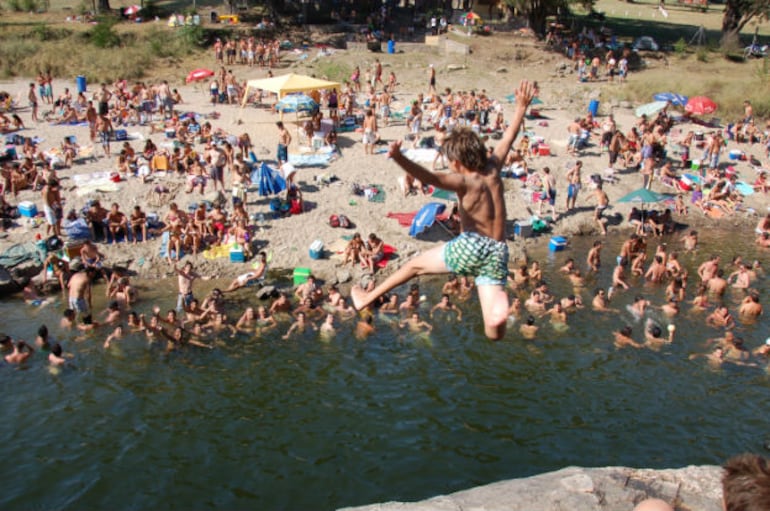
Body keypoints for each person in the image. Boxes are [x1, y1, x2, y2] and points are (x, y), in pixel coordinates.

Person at [351, 80, 536, 340]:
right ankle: (498, 316)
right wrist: (520, 108)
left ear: (458, 162)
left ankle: (365, 298)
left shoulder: (463, 180)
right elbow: (509, 136)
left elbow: (430, 178)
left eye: (450, 162)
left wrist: (399, 158)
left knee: (414, 266)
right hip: (498, 250)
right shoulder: (494, 167)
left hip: (472, 246)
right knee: (493, 334)